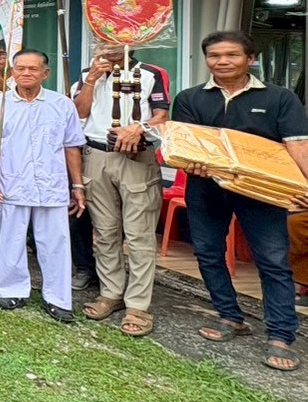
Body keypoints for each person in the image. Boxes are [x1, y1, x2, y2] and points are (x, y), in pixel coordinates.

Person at [172, 30, 308, 372]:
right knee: (207, 252)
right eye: (214, 56)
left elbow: (297, 145)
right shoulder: (190, 98)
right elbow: (189, 144)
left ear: (250, 59)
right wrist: (193, 162)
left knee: (273, 259)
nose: (222, 61)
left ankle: (281, 335)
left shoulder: (280, 98)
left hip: (261, 190)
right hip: (206, 187)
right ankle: (230, 316)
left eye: (231, 55)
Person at [0, 49, 86, 323]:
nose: (25, 73)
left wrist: (78, 185)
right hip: (11, 182)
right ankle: (12, 290)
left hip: (52, 184)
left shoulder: (62, 105)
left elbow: (72, 146)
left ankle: (57, 299)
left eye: (32, 69)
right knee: (11, 239)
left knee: (56, 243)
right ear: (12, 72)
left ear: (45, 73)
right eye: (20, 68)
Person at [71, 45, 170, 335]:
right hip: (96, 156)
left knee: (139, 233)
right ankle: (111, 292)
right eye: (102, 40)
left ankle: (138, 305)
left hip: (135, 156)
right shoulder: (88, 74)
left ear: (133, 42)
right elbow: (79, 112)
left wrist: (138, 127)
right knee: (105, 232)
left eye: (117, 40)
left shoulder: (151, 74)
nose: (108, 47)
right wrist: (92, 79)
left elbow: (162, 117)